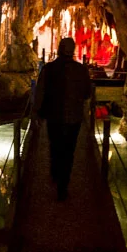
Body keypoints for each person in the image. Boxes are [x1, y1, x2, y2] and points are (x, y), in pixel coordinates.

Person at [34, 37, 91, 200]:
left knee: (55, 145)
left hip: (55, 116)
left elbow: (40, 92)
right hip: (74, 117)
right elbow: (87, 93)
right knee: (69, 150)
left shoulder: (49, 69)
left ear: (59, 49)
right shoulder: (81, 70)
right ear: (72, 50)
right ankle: (63, 185)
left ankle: (55, 172)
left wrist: (37, 112)